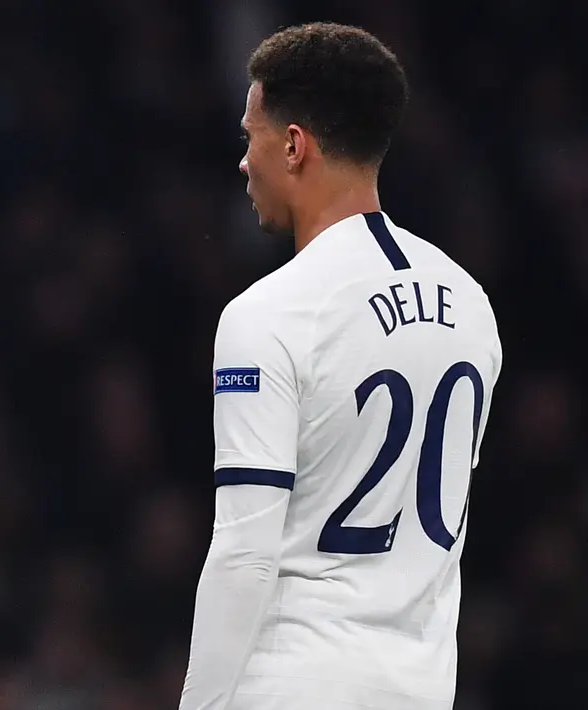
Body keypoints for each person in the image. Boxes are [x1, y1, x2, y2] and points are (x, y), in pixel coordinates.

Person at [179, 23, 503, 710]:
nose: (243, 161)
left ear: (293, 145)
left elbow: (245, 554)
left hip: (294, 684)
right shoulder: (470, 306)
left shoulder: (268, 313)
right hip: (421, 687)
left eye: (250, 136)